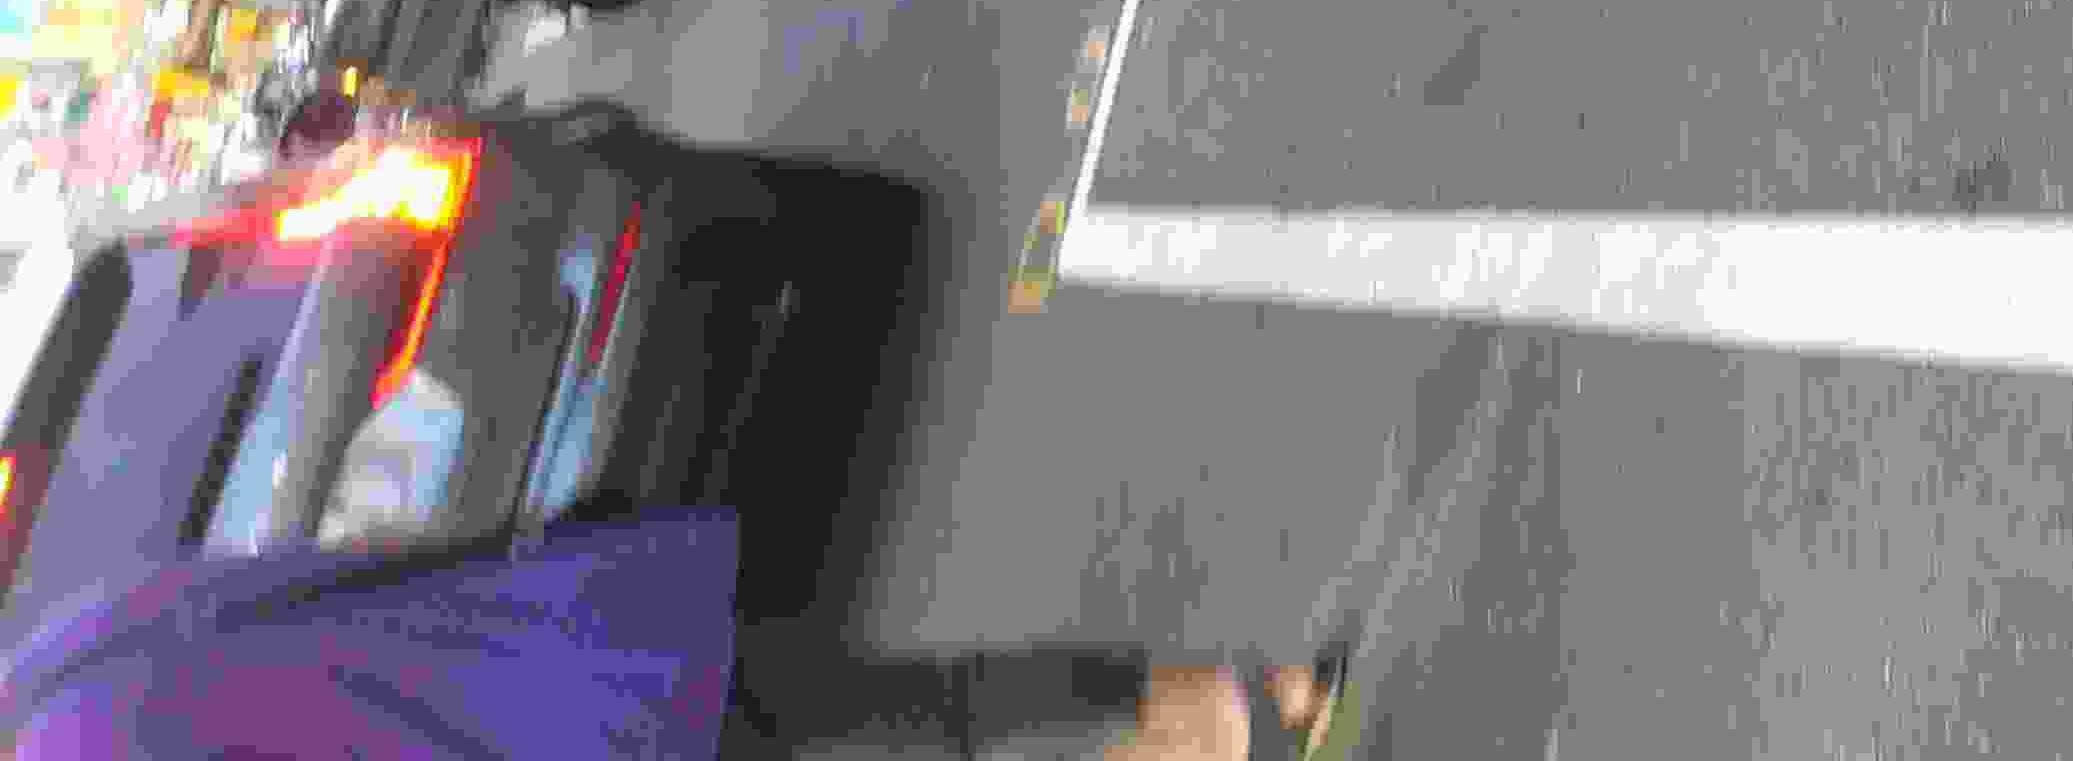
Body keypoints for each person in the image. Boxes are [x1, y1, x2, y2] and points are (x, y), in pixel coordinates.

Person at [0, 504, 1358, 760]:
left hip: (579, 730)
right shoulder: (72, 643)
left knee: (908, 718)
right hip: (581, 650)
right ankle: (1217, 705)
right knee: (910, 705)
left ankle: (1204, 718)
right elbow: (357, 565)